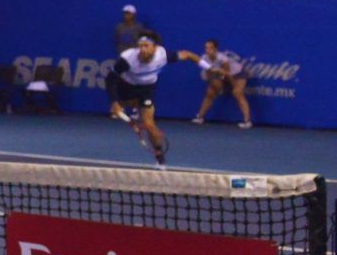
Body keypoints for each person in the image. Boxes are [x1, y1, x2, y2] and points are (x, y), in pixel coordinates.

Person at [107, 32, 173, 166]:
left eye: (146, 46)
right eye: (140, 46)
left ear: (154, 47)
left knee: (149, 124)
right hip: (126, 86)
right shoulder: (127, 59)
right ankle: (133, 106)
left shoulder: (162, 54)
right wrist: (114, 102)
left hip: (146, 88)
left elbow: (186, 54)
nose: (142, 49)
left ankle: (159, 154)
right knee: (115, 110)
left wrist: (202, 63)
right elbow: (110, 79)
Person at [177, 38, 255, 129]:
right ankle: (199, 117)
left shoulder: (222, 59)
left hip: (238, 74)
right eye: (206, 48)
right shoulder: (204, 59)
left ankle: (247, 121)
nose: (208, 50)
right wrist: (217, 87)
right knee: (210, 93)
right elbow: (209, 76)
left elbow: (228, 75)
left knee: (237, 93)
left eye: (210, 48)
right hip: (221, 75)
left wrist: (234, 86)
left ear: (216, 49)